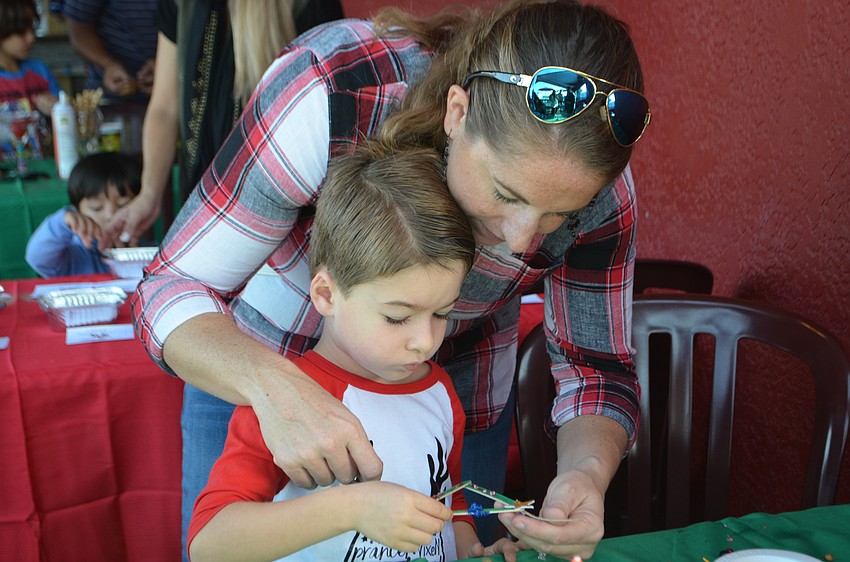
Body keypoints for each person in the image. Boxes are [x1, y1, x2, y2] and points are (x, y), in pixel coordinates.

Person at [132, 0, 651, 557]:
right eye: (505, 194)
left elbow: (595, 370)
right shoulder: (333, 92)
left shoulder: (600, 197)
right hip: (254, 364)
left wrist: (587, 474)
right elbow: (171, 288)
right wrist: (271, 387)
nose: (523, 239)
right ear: (457, 112)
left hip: (449, 391)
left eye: (558, 215)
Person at [188, 139, 519, 562]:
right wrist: (350, 508)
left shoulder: (439, 391)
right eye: (398, 317)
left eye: (442, 313)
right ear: (326, 294)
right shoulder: (288, 401)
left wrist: (473, 548)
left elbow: (447, 503)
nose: (425, 340)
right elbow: (209, 543)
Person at [101, 0, 344, 247]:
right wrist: (148, 195)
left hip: (280, 204)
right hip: (201, 195)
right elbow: (165, 107)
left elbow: (323, 114)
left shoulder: (308, 6)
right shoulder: (182, 5)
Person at [25, 152, 142, 278]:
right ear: (77, 211)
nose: (110, 215)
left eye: (122, 205)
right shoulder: (72, 257)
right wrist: (64, 222)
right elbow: (36, 257)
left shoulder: (150, 253)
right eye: (96, 208)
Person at [63, 0, 158, 99]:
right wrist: (108, 64)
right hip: (110, 95)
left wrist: (166, 67)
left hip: (170, 92)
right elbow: (78, 31)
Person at [0, 0, 60, 115]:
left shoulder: (40, 70)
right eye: (21, 31)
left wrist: (58, 109)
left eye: (32, 28)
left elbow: (67, 113)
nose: (31, 38)